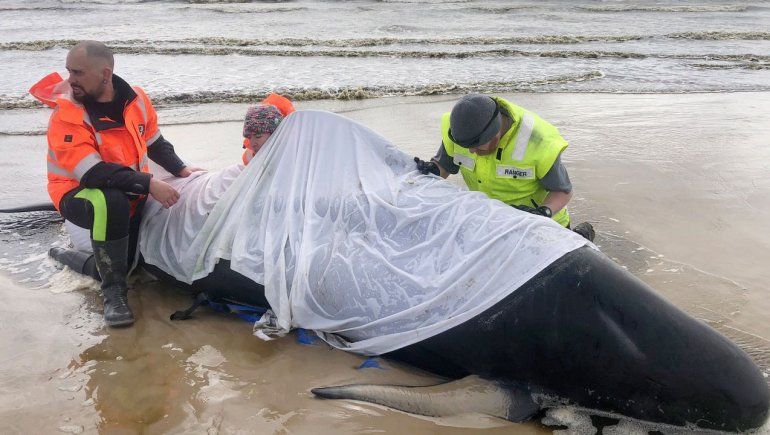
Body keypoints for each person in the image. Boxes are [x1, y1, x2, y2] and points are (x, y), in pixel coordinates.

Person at [29, 41, 202, 327]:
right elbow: (91, 173)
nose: (69, 80)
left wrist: (181, 169)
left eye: (78, 73)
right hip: (77, 192)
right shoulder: (68, 114)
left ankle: (88, 263)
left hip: (127, 188)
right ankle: (114, 294)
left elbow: (154, 141)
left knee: (129, 264)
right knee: (109, 201)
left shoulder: (136, 100)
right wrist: (149, 184)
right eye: (69, 71)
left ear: (105, 74)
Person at [414, 94, 594, 240]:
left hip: (544, 224)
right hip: (493, 223)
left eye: (478, 146)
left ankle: (581, 235)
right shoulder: (462, 130)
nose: (471, 151)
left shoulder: (539, 142)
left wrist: (542, 213)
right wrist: (431, 170)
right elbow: (444, 165)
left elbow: (563, 191)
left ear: (497, 133)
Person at [241, 95, 294, 165]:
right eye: (249, 137)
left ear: (275, 134)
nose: (252, 143)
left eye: (258, 136)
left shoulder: (293, 155)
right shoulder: (249, 158)